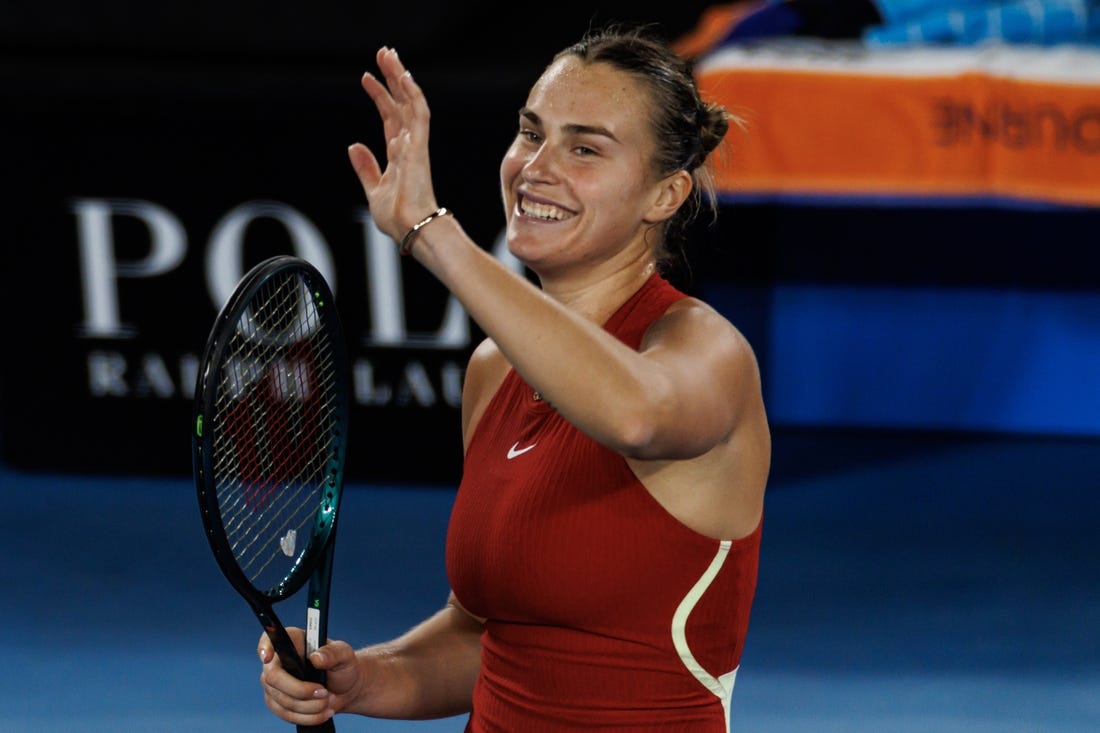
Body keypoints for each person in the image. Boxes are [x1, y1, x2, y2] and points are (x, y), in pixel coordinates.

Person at [257, 22, 770, 732]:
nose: (536, 166)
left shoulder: (705, 352)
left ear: (665, 194)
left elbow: (636, 417)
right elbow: (483, 634)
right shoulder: (493, 370)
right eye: (532, 133)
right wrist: (361, 677)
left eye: (584, 148)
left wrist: (430, 232)